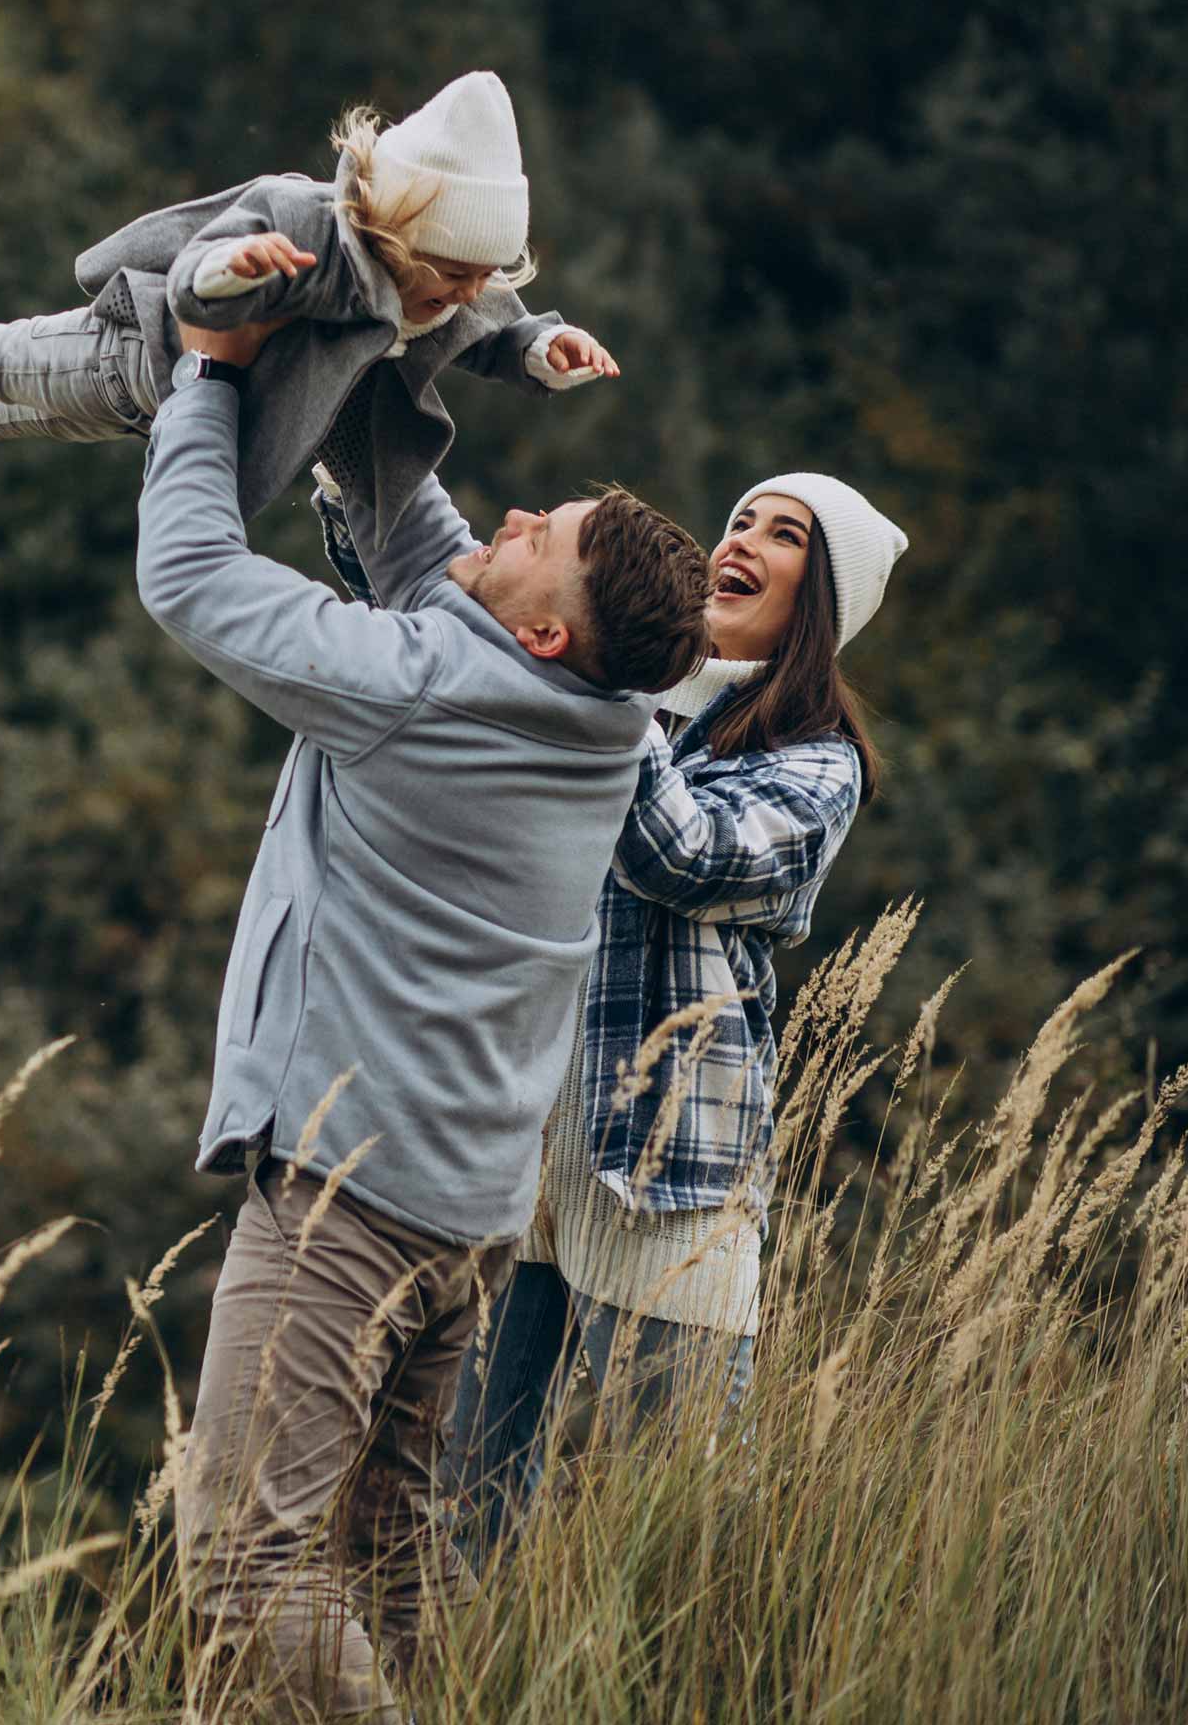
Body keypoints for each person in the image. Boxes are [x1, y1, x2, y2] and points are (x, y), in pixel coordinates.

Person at [134, 310, 710, 1724]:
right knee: (390, 1559)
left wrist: (212, 370)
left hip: (348, 1198)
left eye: (538, 533)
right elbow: (410, 520)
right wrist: (394, 328)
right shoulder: (599, 724)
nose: (508, 514)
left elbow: (190, 575)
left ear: (543, 629)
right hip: (465, 1217)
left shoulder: (426, 689)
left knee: (246, 1570)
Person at [320, 467, 907, 1561]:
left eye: (785, 536)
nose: (744, 540)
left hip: (665, 1180)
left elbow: (686, 856)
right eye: (741, 519)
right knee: (459, 1509)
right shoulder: (612, 695)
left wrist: (618, 678)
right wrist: (363, 471)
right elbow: (463, 624)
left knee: (678, 1523)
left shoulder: (811, 760)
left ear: (823, 599)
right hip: (518, 1160)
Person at [0, 70, 616, 533]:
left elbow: (487, 325)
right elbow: (199, 275)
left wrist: (540, 349)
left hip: (187, 409)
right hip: (138, 352)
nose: (472, 292)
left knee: (54, 421)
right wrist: (234, 271)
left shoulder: (449, 289)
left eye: (486, 273)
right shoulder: (309, 226)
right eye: (458, 271)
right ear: (404, 230)